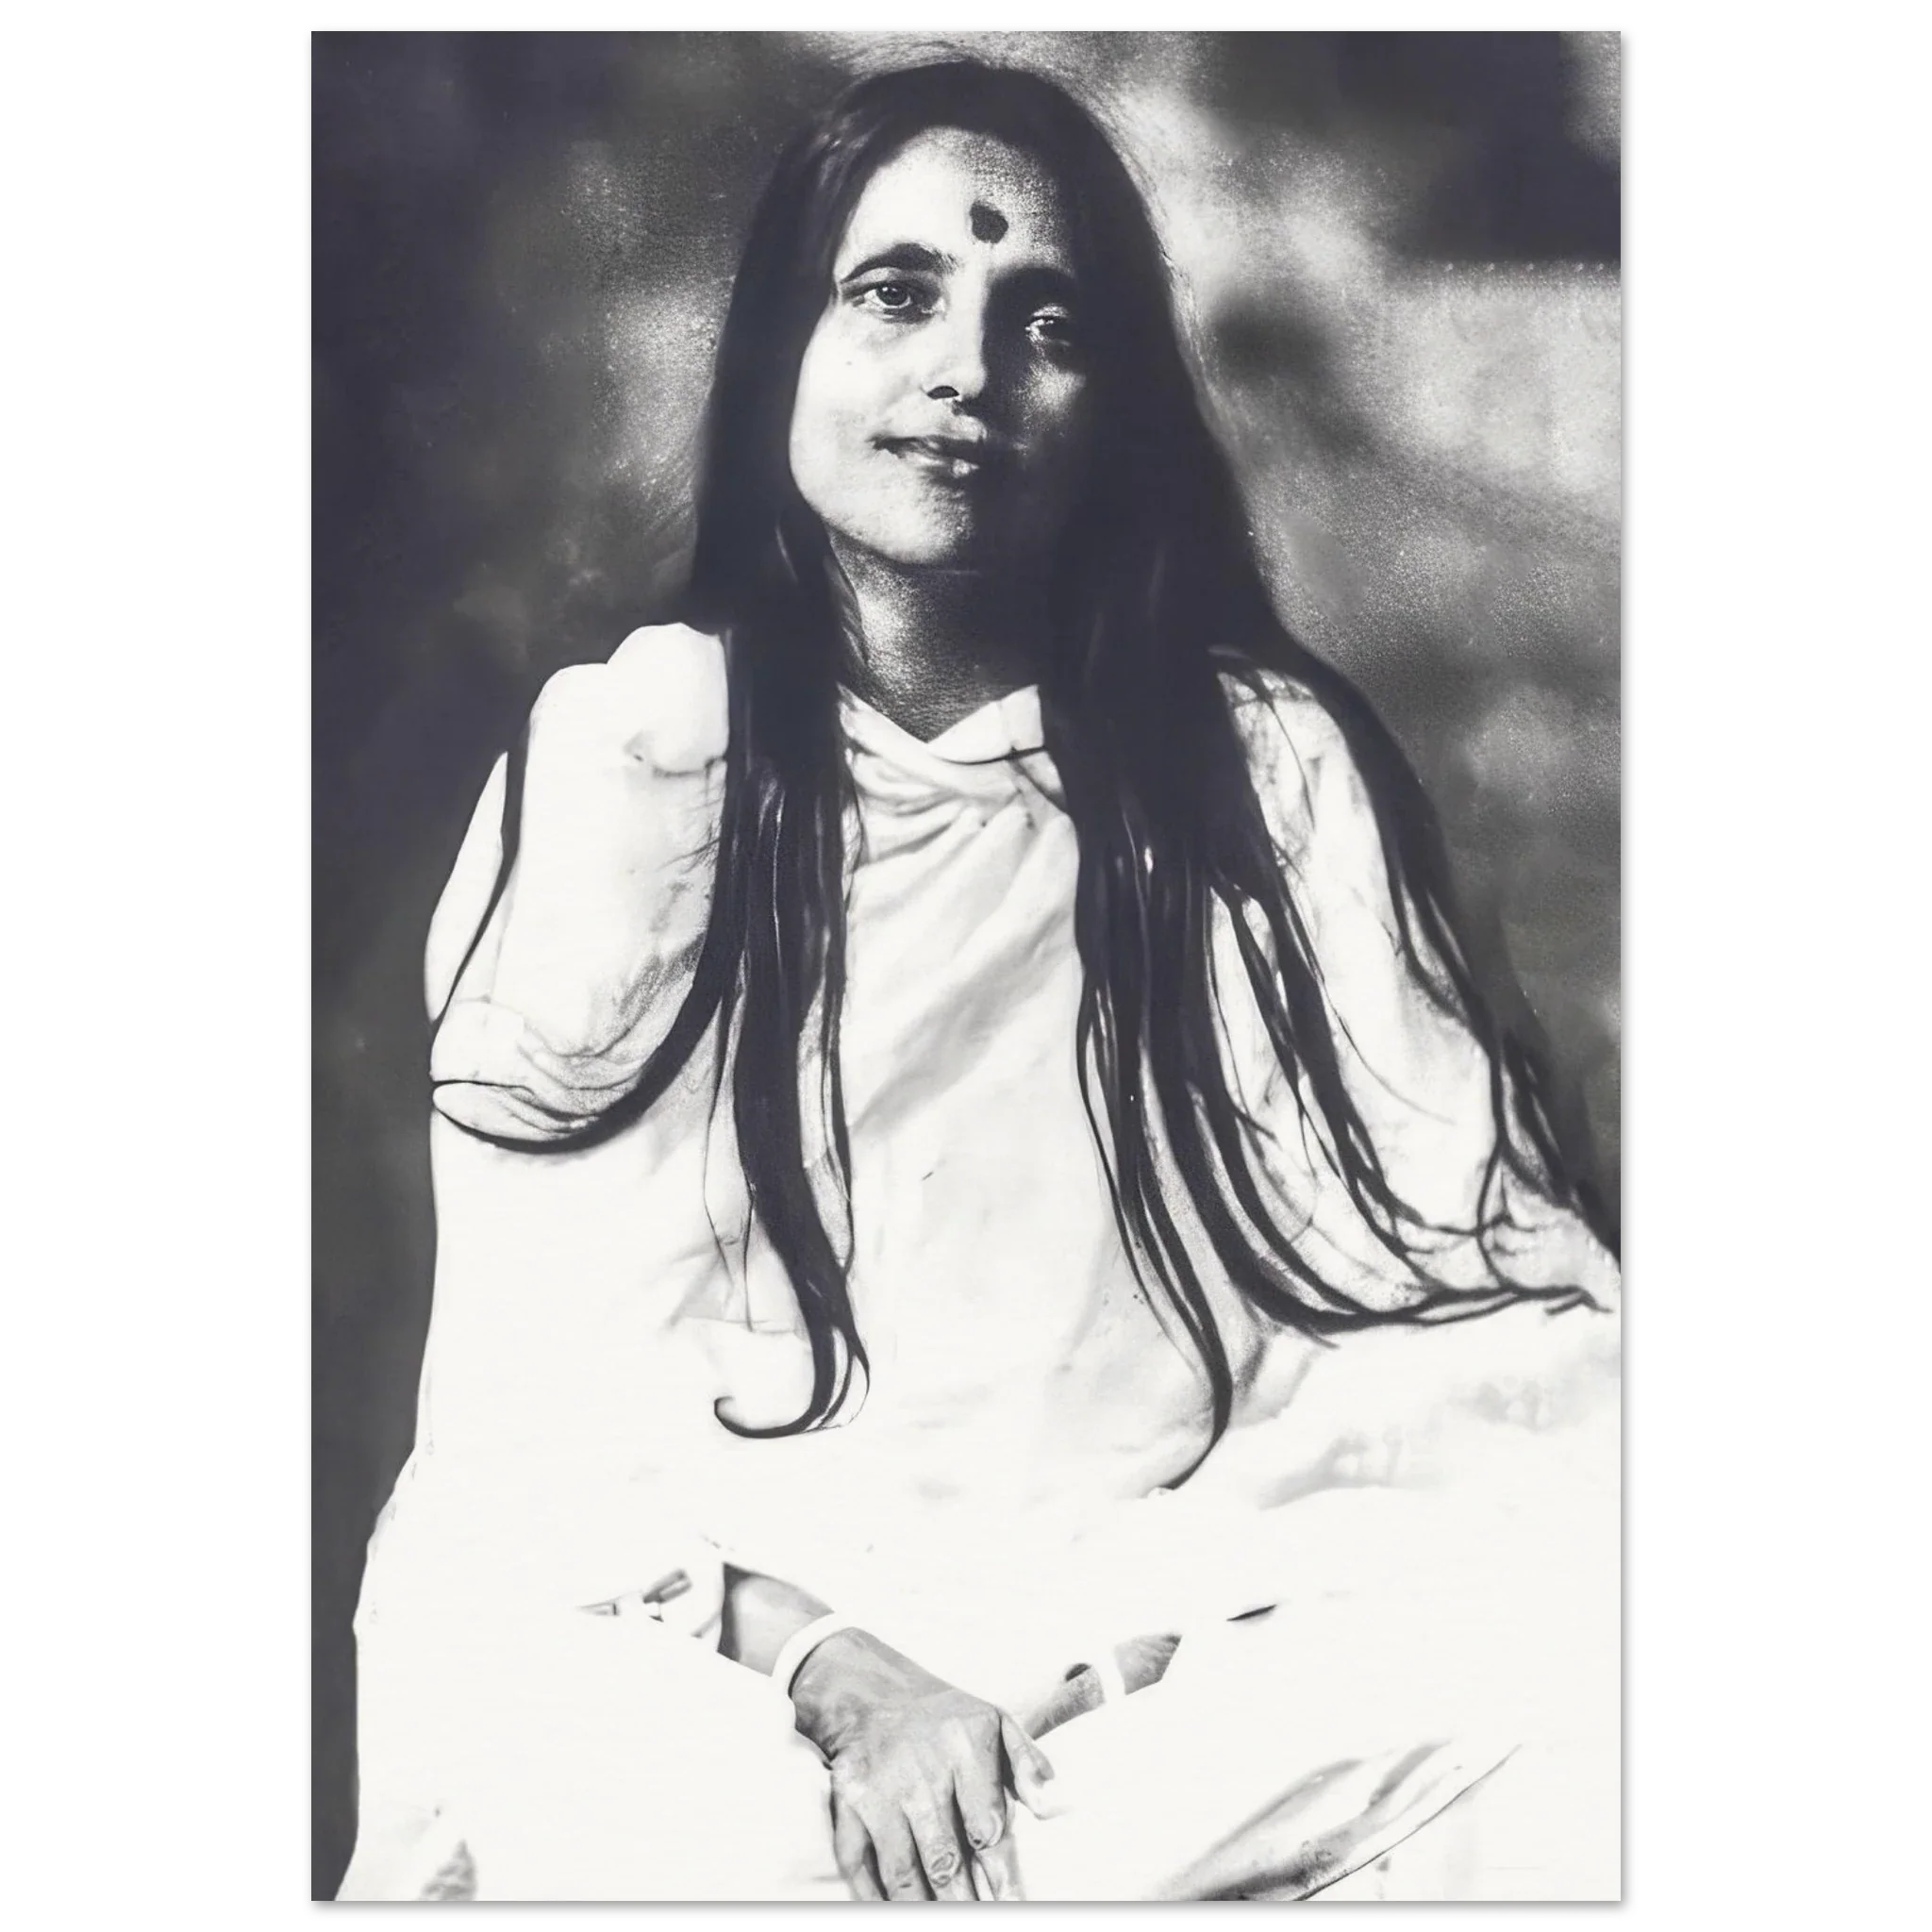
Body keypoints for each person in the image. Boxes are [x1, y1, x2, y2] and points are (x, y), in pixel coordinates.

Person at [335, 57, 1624, 1905]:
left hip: (1169, 1625)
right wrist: (843, 1674)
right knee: (635, 1793)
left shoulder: (1256, 772)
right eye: (897, 294)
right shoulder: (635, 765)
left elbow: (1472, 1313)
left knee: (1572, 1679)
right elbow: (542, 1415)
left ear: (1117, 408)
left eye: (1047, 322)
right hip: (734, 1635)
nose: (965, 368)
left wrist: (1121, 1652)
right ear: (784, 347)